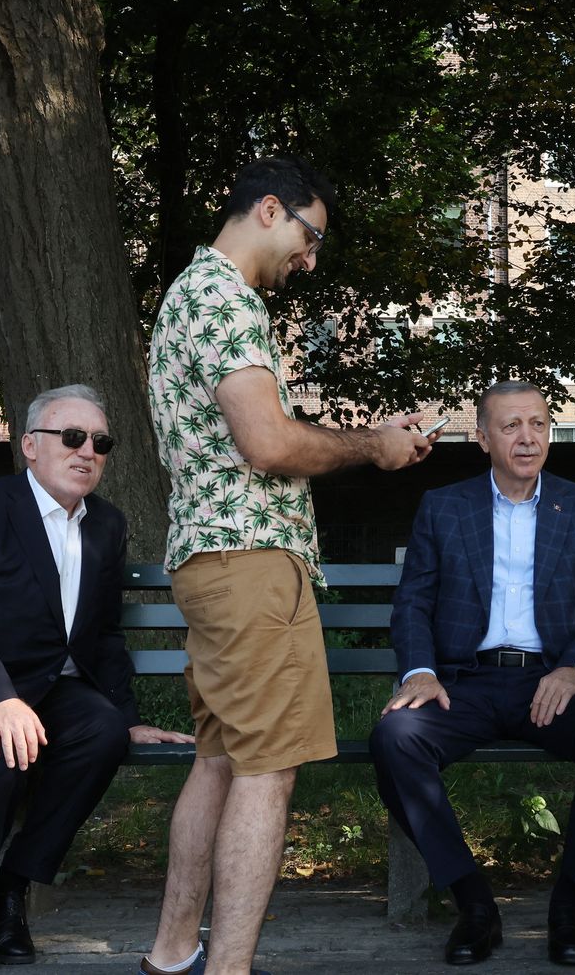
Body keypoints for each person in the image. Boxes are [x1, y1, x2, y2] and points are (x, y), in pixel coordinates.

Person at [142, 156, 433, 975]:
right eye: (310, 239)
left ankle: (170, 956)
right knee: (266, 774)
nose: (310, 261)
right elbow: (268, 445)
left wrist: (369, 433)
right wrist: (374, 445)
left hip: (212, 563)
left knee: (221, 760)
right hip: (250, 565)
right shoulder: (226, 300)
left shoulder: (187, 296)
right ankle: (225, 969)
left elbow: (252, 434)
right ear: (270, 210)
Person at [0, 384, 192, 968]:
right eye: (72, 437)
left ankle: (12, 888)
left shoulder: (106, 523)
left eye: (100, 442)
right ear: (30, 445)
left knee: (102, 733)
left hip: (53, 693)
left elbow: (103, 631)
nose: (87, 451)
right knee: (6, 743)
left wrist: (128, 719)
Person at [369, 380, 575, 967]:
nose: (528, 437)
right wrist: (420, 671)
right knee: (394, 738)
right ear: (483, 438)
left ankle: (570, 907)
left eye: (539, 424)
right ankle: (474, 905)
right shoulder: (444, 506)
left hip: (551, 681)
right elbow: (413, 602)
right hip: (464, 682)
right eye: (512, 426)